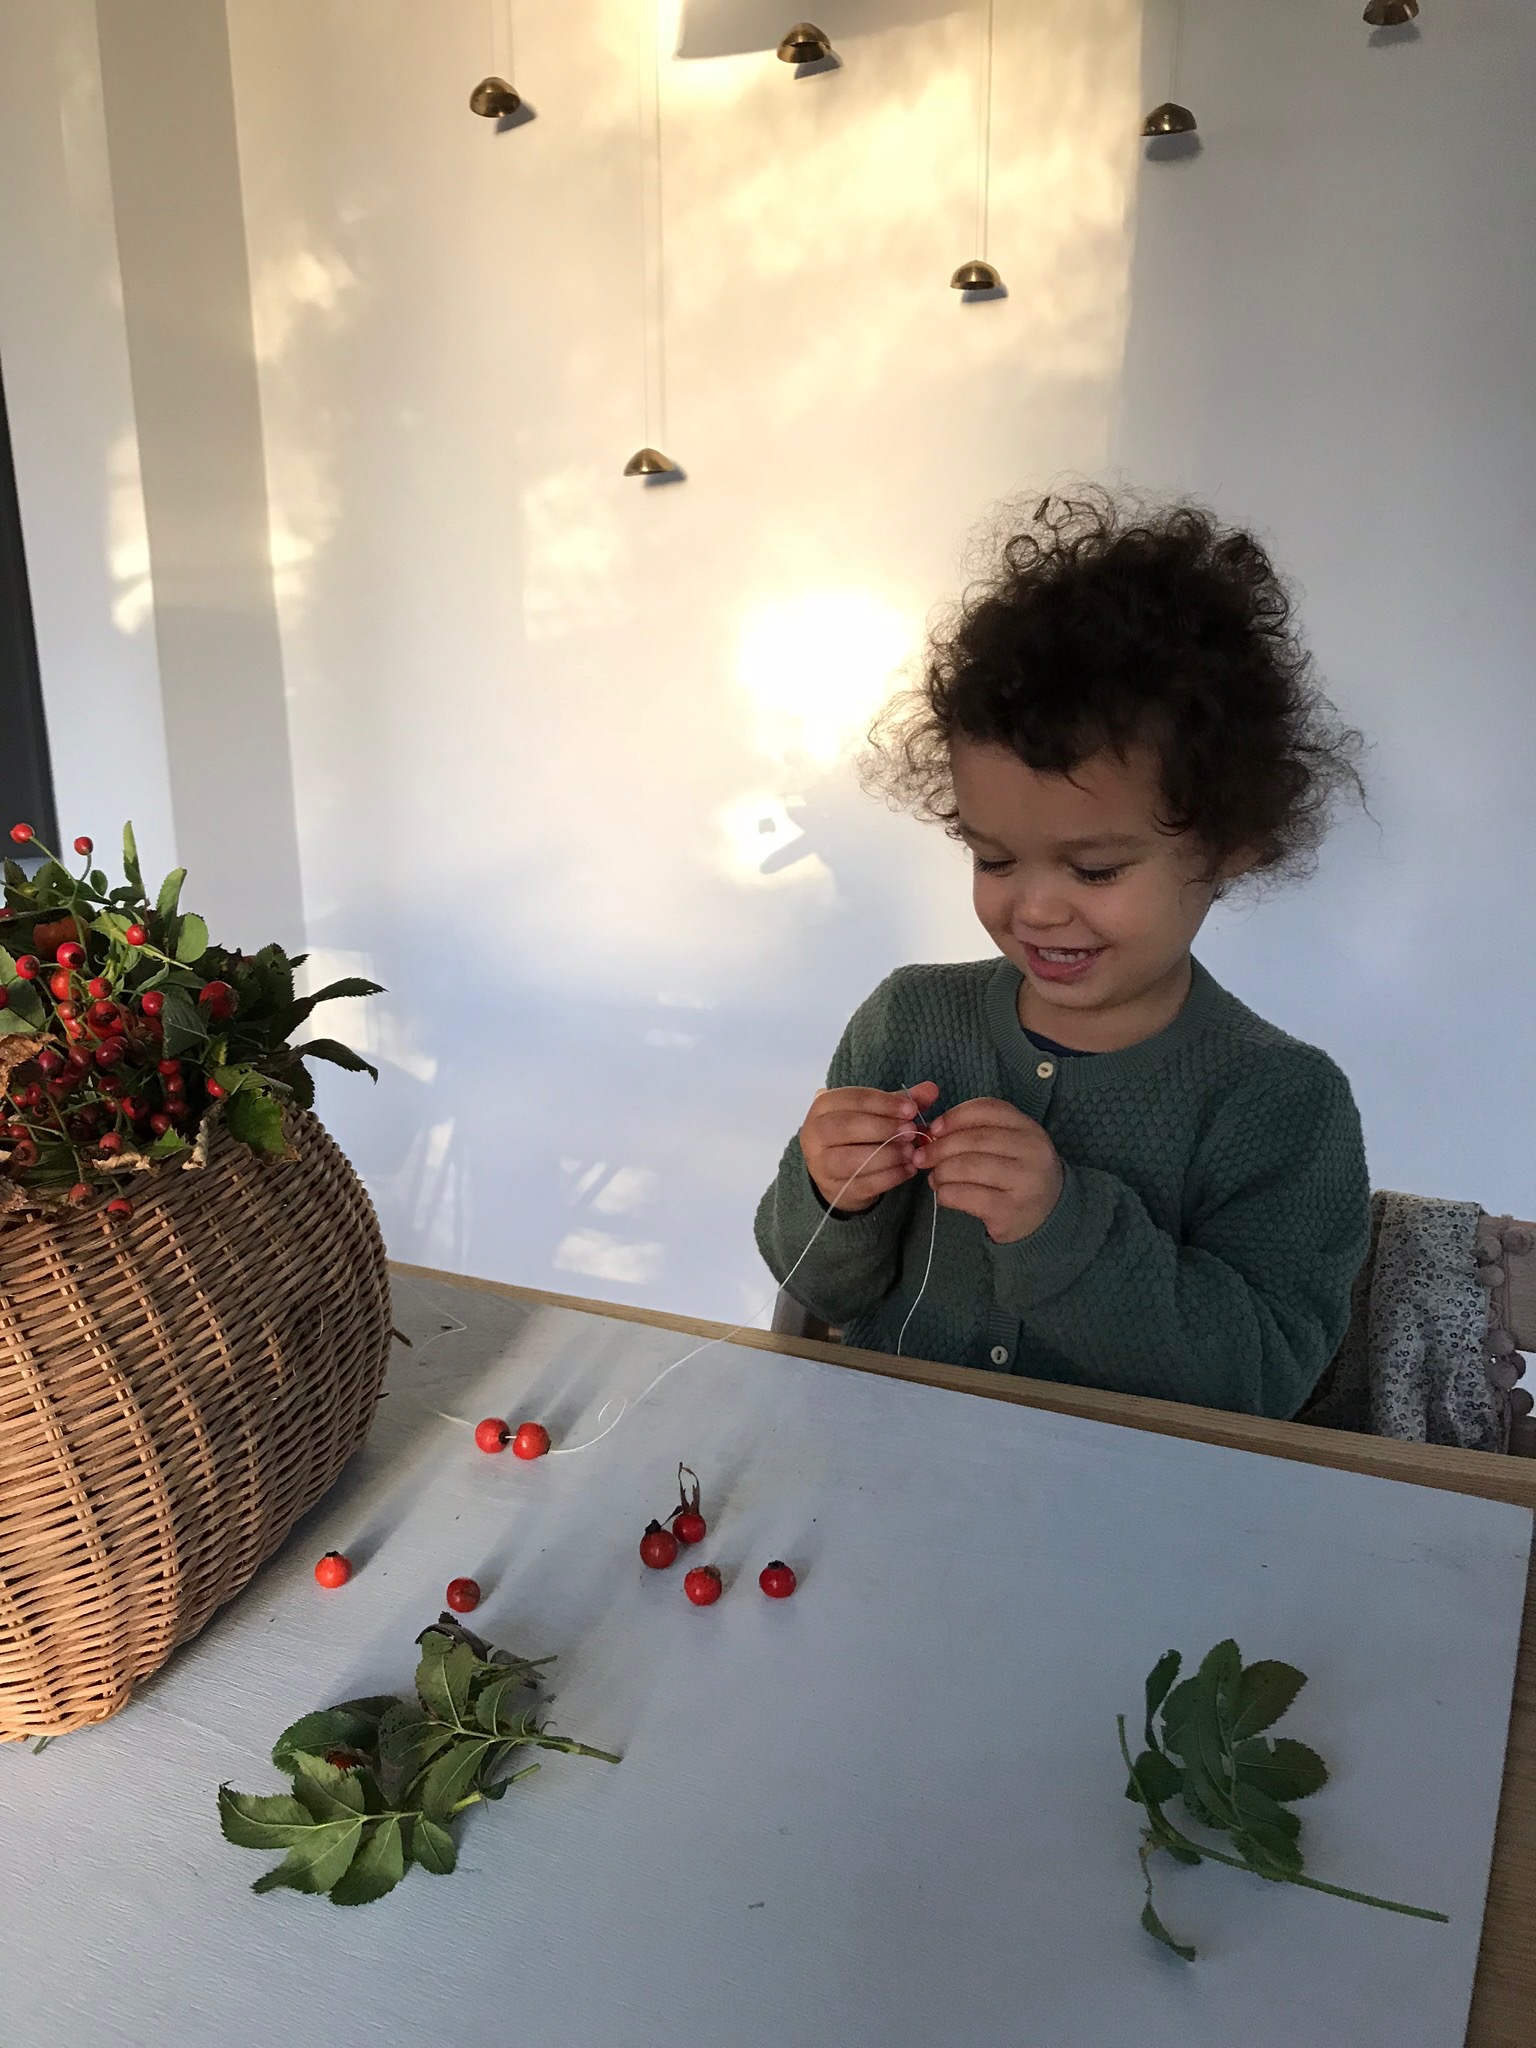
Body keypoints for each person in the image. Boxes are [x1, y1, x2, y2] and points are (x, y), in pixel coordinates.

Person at [754, 490, 1370, 1418]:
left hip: (1125, 1500)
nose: (1036, 908)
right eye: (994, 859)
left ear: (1228, 847)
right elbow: (817, 1285)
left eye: (1095, 869)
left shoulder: (1280, 1101)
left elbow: (1262, 1383)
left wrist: (1061, 1229)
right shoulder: (908, 1020)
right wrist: (832, 1194)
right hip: (886, 1468)